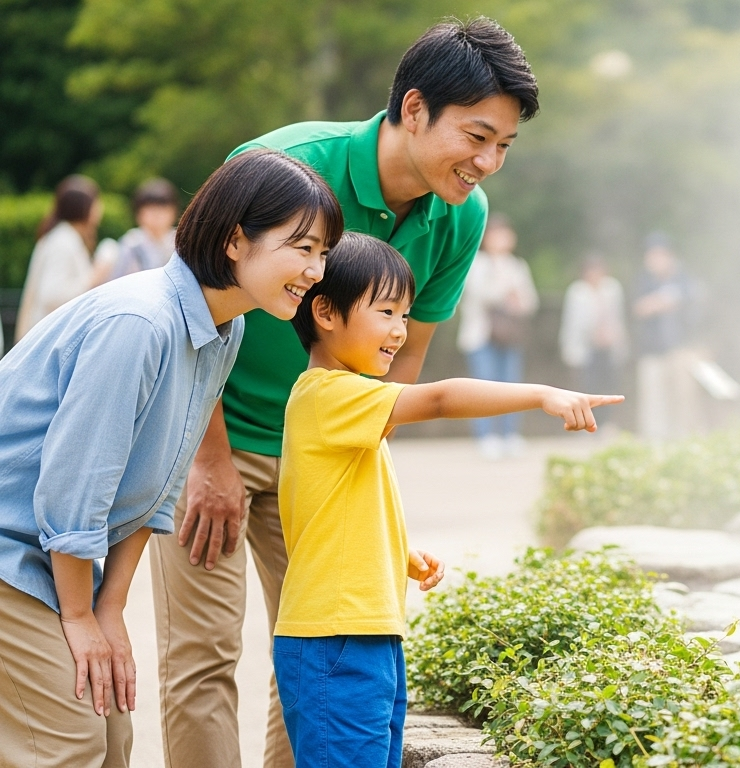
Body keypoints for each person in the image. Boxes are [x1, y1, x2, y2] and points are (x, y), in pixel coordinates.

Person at [149, 18, 540, 768]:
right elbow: (188, 319)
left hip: (321, 454)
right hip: (212, 433)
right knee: (202, 656)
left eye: (504, 147)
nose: (489, 162)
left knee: (317, 648)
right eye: (477, 136)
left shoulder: (462, 217)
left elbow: (406, 361)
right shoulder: (280, 167)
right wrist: (209, 460)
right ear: (416, 108)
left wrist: (364, 495)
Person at [0, 148, 341, 768]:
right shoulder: (141, 321)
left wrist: (109, 611)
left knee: (111, 734)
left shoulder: (222, 327)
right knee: (67, 741)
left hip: (48, 555)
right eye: (303, 247)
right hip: (11, 550)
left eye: (324, 252)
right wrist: (80, 617)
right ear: (237, 240)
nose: (317, 269)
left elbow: (155, 491)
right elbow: (74, 490)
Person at [277, 233, 619, 767]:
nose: (399, 331)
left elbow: (334, 507)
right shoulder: (328, 394)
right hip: (335, 638)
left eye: (406, 316)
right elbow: (438, 397)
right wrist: (542, 394)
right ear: (324, 311)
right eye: (386, 311)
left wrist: (397, 552)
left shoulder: (350, 403)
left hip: (363, 633)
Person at [456, 213, 539, 457]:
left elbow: (530, 301)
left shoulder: (517, 265)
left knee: (512, 384)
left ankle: (509, 435)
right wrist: (506, 290)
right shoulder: (476, 263)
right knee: (483, 383)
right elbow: (478, 294)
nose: (500, 239)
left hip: (509, 334)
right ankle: (486, 436)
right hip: (481, 335)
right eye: (495, 234)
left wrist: (516, 299)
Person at [15, 175, 112, 340]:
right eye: (96, 202)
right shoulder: (64, 241)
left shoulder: (63, 236)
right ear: (83, 207)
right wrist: (93, 277)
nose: (99, 208)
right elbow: (52, 295)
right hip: (46, 337)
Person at [632, 232, 703, 440]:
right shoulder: (643, 281)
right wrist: (657, 302)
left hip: (681, 349)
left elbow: (697, 308)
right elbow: (638, 308)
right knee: (653, 401)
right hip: (651, 350)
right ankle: (655, 441)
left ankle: (684, 438)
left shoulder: (685, 279)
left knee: (683, 398)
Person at [560, 253, 629, 427]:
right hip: (585, 348)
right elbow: (573, 323)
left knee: (609, 385)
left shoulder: (612, 288)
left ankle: (607, 423)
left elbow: (617, 318)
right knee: (586, 386)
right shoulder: (577, 292)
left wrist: (616, 339)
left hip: (608, 347)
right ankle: (585, 423)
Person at [98, 178, 179, 283]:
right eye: (150, 210)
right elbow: (118, 279)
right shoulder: (131, 242)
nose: (156, 215)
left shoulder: (179, 241)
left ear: (174, 212)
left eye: (162, 209)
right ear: (138, 214)